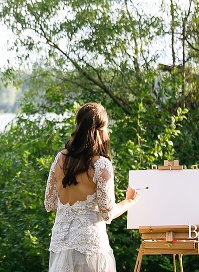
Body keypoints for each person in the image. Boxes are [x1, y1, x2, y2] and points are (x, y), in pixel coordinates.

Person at [44, 102, 139, 272]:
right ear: (101, 129)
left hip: (61, 244)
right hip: (90, 247)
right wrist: (129, 202)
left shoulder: (59, 158)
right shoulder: (101, 165)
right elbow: (107, 213)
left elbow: (49, 203)